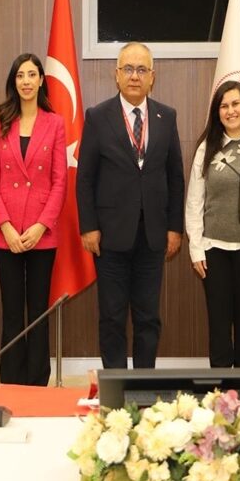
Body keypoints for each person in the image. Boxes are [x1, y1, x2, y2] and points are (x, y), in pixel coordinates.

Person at [77, 42, 185, 369]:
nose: (134, 76)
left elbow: (175, 176)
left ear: (153, 77)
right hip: (110, 236)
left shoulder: (166, 117)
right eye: (128, 69)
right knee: (111, 316)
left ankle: (144, 386)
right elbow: (85, 178)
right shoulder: (98, 117)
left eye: (141, 70)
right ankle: (115, 385)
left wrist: (174, 227)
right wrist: (88, 227)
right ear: (116, 75)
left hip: (153, 236)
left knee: (148, 316)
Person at [0, 53, 67, 385]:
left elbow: (60, 180)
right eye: (21, 75)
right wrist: (5, 225)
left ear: (41, 80)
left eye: (32, 74)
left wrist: (40, 225)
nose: (27, 81)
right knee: (12, 312)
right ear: (13, 81)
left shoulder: (55, 123)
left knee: (39, 312)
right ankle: (12, 383)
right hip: (6, 234)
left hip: (41, 233)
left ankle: (37, 383)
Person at [185, 80, 240, 368]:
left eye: (236, 104)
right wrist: (196, 249)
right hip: (214, 250)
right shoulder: (205, 149)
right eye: (224, 106)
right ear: (216, 111)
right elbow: (195, 203)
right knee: (219, 327)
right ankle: (219, 396)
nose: (230, 111)